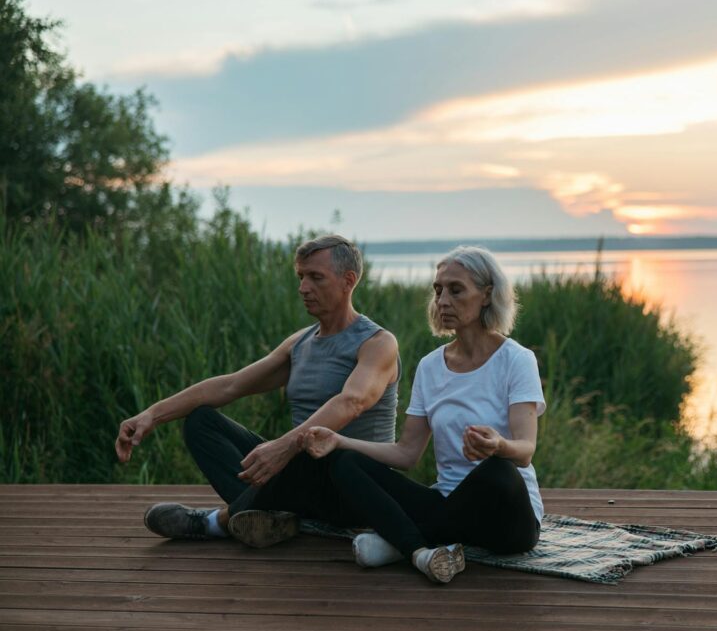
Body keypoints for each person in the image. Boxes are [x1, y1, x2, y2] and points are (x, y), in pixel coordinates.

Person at [114, 235, 400, 543]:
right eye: (300, 277)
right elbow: (231, 385)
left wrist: (285, 446)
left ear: (348, 281)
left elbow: (352, 402)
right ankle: (267, 517)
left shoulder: (377, 344)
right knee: (202, 421)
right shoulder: (300, 343)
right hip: (303, 480)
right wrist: (152, 415)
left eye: (316, 277)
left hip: (357, 489)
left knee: (311, 453)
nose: (304, 288)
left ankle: (216, 522)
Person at [292, 245, 545, 583]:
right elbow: (406, 453)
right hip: (445, 504)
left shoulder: (517, 359)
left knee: (498, 472)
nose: (442, 301)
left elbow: (526, 452)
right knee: (346, 462)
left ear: (486, 295)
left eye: (456, 290)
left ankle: (402, 542)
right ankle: (420, 550)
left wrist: (499, 445)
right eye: (438, 290)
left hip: (508, 520)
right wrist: (339, 440)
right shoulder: (430, 366)